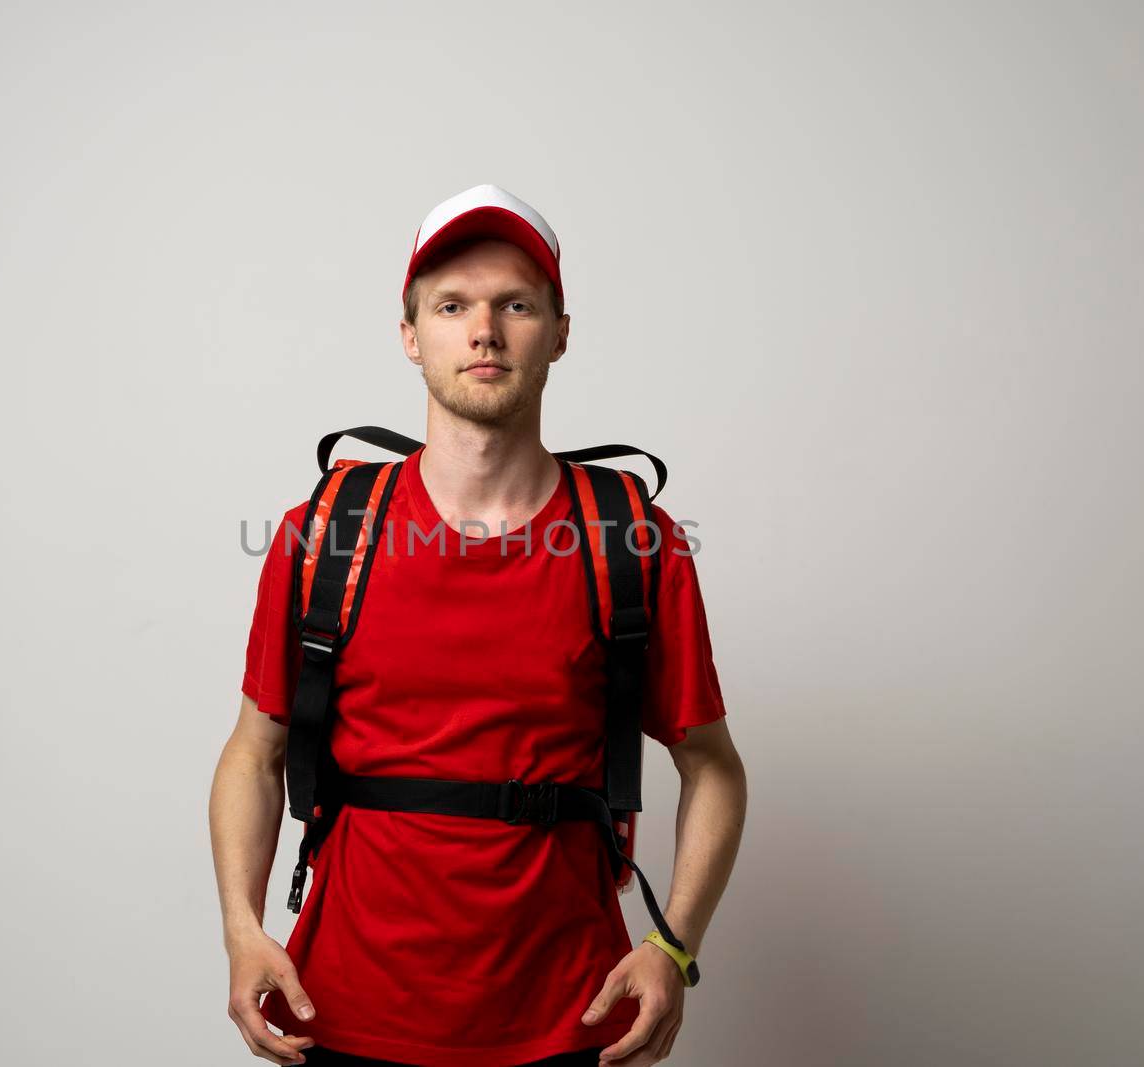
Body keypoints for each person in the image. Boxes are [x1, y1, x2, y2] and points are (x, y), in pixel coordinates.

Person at [211, 184, 748, 1067]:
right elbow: (253, 750)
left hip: (569, 1021)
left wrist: (673, 946)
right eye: (452, 305)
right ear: (411, 336)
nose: (484, 330)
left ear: (560, 333)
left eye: (516, 304)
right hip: (342, 1011)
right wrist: (241, 926)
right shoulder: (324, 534)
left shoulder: (634, 542)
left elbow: (714, 768)